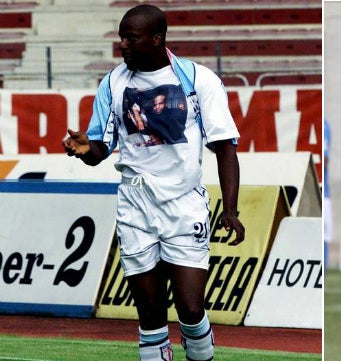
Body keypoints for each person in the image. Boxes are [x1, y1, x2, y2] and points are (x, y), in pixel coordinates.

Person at [62, 4, 245, 361]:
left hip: (184, 202)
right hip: (135, 205)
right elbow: (101, 148)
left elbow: (225, 148)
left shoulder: (198, 80)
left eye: (130, 38)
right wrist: (85, 149)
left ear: (157, 39)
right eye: (121, 38)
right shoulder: (113, 82)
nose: (123, 46)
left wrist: (232, 210)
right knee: (150, 315)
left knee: (191, 309)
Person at [323, 117, 332, 270]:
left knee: (324, 237)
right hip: (321, 193)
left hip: (323, 193)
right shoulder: (324, 124)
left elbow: (324, 159)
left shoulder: (324, 124)